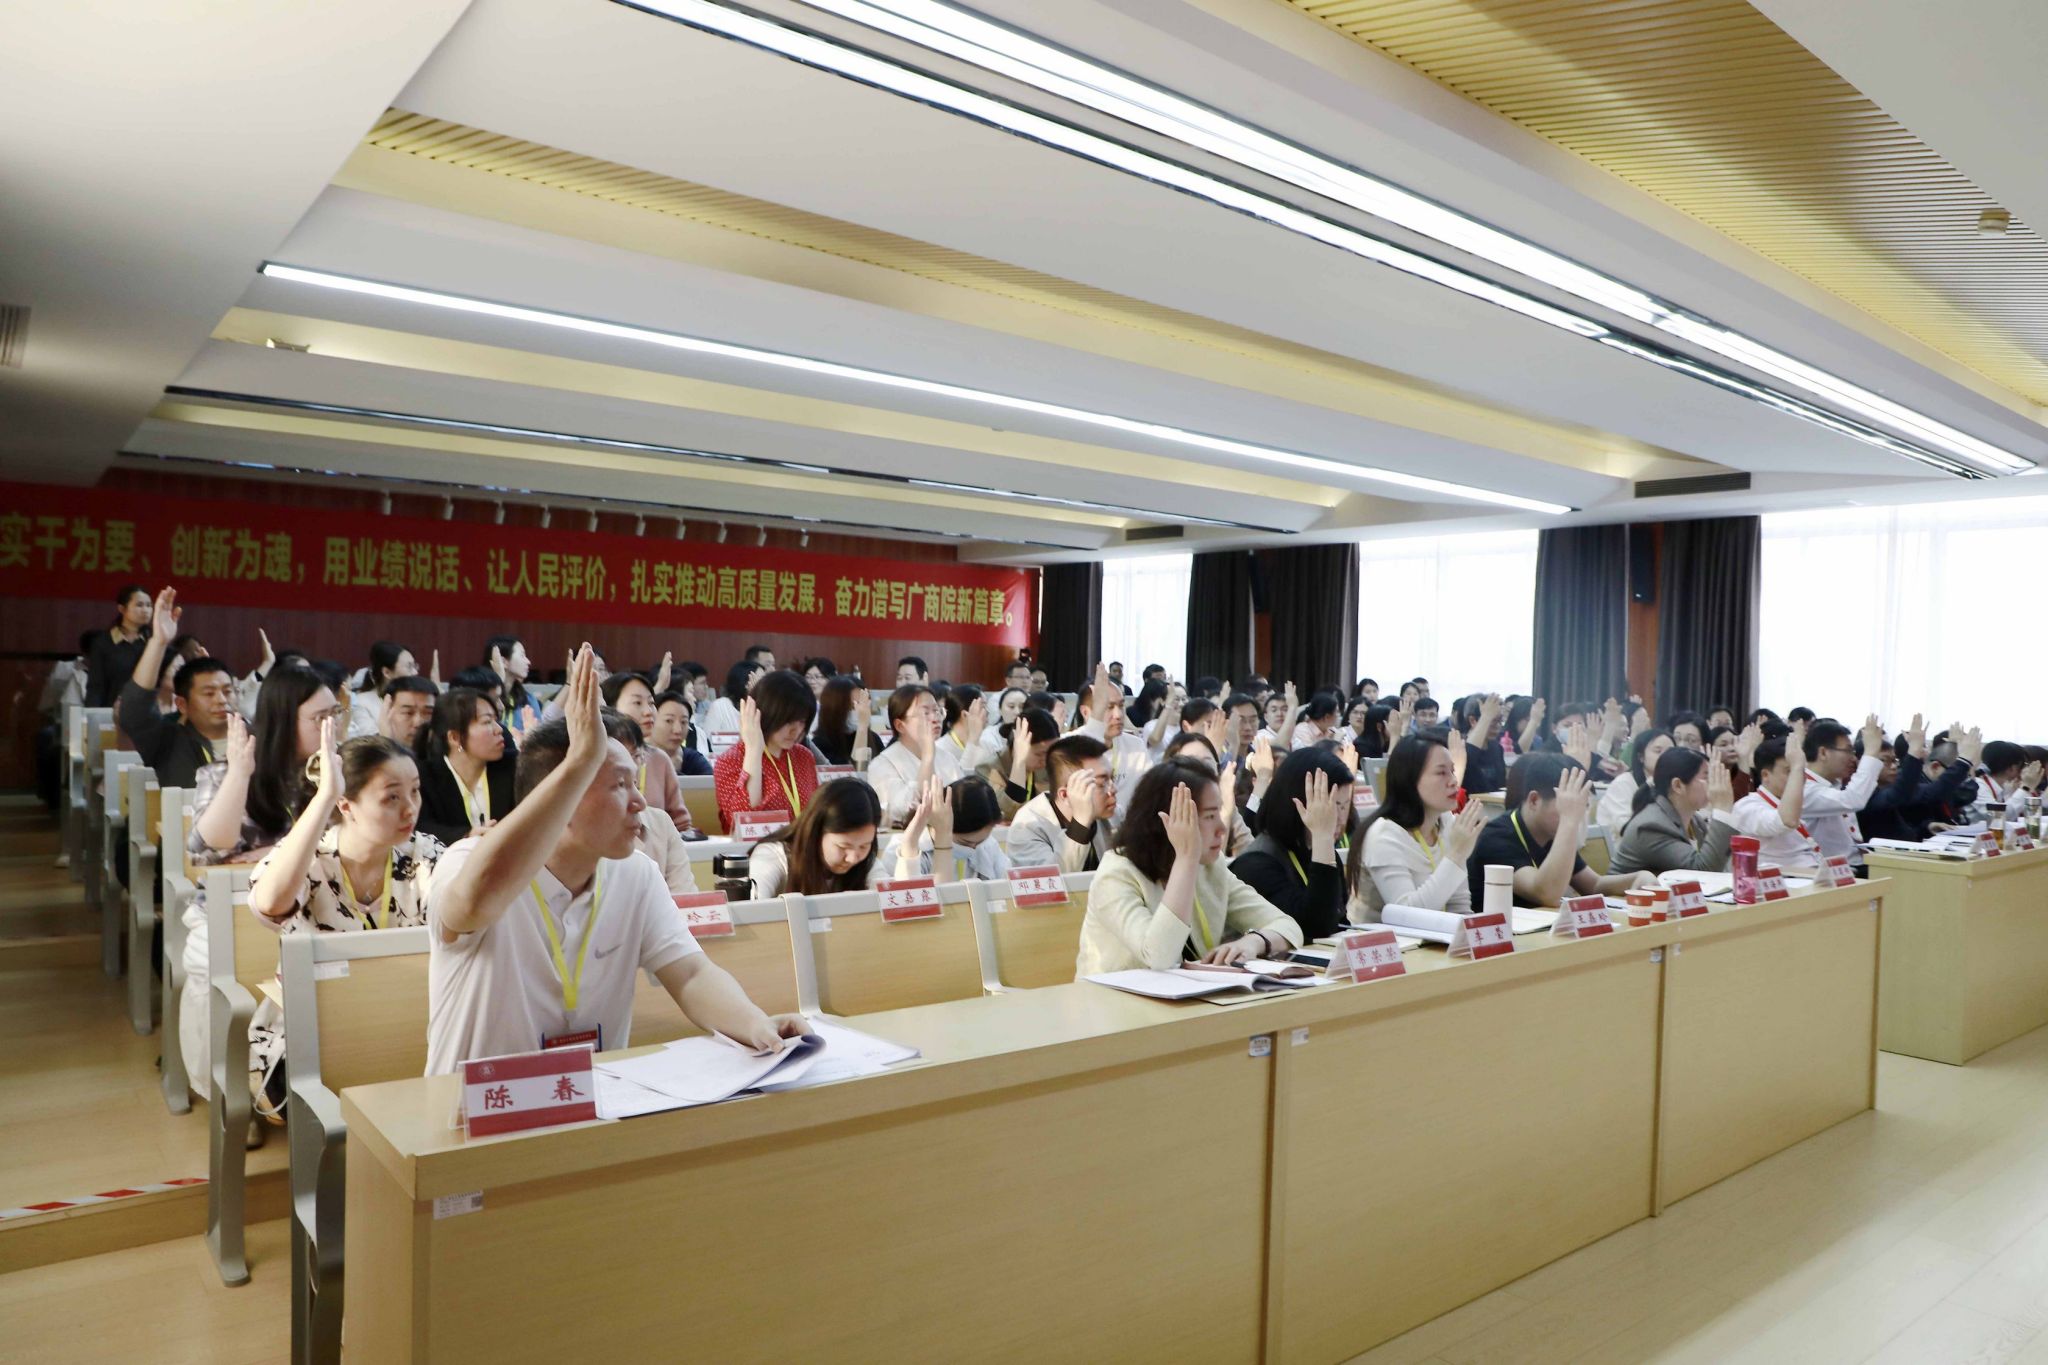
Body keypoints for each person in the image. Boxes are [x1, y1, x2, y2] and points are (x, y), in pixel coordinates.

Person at [424, 647, 806, 1073]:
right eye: (620, 785)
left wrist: (754, 1023)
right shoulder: (465, 861)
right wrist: (578, 764)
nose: (640, 801)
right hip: (477, 1104)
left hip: (592, 1098)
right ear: (563, 796)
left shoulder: (635, 874)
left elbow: (691, 974)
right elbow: (472, 905)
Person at [244, 725, 441, 1116]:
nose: (410, 808)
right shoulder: (308, 855)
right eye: (391, 797)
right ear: (346, 806)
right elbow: (270, 902)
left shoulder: (425, 854)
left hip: (406, 1021)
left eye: (415, 791)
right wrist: (324, 798)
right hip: (314, 1035)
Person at [178, 664, 339, 1106]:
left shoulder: (335, 773)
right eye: (320, 718)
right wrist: (240, 773)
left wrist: (276, 851)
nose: (332, 727)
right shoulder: (227, 771)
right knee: (212, 964)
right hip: (232, 916)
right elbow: (208, 850)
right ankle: (228, 1098)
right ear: (285, 719)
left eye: (336, 714)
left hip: (313, 912)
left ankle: (300, 1088)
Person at [1076, 760, 1304, 975]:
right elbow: (1159, 956)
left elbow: (1288, 926)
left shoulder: (1210, 867)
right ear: (1167, 821)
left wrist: (1253, 942)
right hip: (1112, 1000)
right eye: (1210, 816)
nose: (1222, 828)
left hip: (1190, 996)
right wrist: (1185, 858)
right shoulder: (1117, 874)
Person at [1466, 753, 1656, 907]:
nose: (1577, 817)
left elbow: (1594, 885)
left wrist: (1639, 877)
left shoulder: (1551, 832)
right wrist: (1568, 821)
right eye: (1567, 806)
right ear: (1534, 800)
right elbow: (1546, 893)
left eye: (1581, 808)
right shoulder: (1496, 837)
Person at [1345, 734, 1487, 922]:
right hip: (1383, 938)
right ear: (1410, 779)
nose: (1453, 781)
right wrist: (1457, 854)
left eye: (1452, 771)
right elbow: (1409, 917)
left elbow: (1459, 906)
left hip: (1435, 936)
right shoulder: (1384, 834)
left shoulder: (1447, 823)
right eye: (1441, 773)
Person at [748, 774, 951, 898]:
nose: (853, 858)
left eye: (864, 846)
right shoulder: (773, 857)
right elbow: (753, 912)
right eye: (843, 847)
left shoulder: (867, 864)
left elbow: (900, 904)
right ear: (816, 831)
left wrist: (910, 846)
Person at [114, 588, 233, 789]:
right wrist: (158, 642)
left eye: (228, 691)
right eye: (209, 693)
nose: (222, 700)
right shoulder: (169, 740)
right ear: (182, 704)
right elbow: (134, 711)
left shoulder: (256, 738)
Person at [1230, 746, 1351, 940]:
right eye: (1332, 807)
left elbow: (1339, 924)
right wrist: (1323, 837)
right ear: (1298, 802)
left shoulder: (1320, 850)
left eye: (1345, 807)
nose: (1340, 819)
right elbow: (1313, 929)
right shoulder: (1256, 863)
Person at [712, 668, 821, 835]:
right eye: (788, 721)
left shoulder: (803, 756)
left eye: (801, 721)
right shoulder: (731, 760)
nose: (796, 730)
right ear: (765, 714)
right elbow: (742, 820)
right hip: (756, 849)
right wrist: (753, 752)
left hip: (801, 846)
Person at [600, 712, 697, 894]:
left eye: (636, 755)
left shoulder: (661, 823)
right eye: (618, 757)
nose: (631, 767)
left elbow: (684, 897)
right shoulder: (577, 830)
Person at [415, 687, 517, 846]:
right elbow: (421, 828)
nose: (499, 729)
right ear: (455, 737)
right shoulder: (423, 777)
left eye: (496, 720)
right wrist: (466, 835)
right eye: (487, 722)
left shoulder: (514, 767)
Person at [1609, 748, 1736, 875]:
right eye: (1707, 778)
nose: (1714, 785)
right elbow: (1703, 871)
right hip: (1626, 889)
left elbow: (1720, 864)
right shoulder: (1651, 826)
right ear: (1678, 786)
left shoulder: (1695, 820)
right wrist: (1722, 810)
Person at [601, 672, 693, 835]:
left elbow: (681, 824)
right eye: (637, 703)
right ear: (610, 707)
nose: (648, 711)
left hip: (656, 848)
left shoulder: (659, 759)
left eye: (651, 703)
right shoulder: (595, 759)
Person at [1009, 735, 1115, 873]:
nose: (1113, 790)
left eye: (1113, 778)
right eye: (1101, 783)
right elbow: (1051, 881)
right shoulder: (1027, 827)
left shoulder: (1114, 815)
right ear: (1065, 795)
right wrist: (1080, 824)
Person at [867, 684, 962, 829]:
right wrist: (928, 758)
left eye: (937, 711)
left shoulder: (948, 758)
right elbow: (902, 812)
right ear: (900, 725)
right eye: (925, 713)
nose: (935, 718)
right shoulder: (882, 765)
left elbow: (963, 803)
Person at [1798, 716, 1886, 869]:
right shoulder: (1804, 789)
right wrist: (1871, 752)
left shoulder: (1833, 784)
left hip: (1856, 865)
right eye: (1848, 751)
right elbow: (1853, 800)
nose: (1853, 758)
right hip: (1833, 872)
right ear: (1823, 753)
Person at [1726, 727, 1820, 869]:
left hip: (1809, 872)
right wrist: (1796, 767)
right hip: (1784, 878)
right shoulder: (1746, 806)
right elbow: (1787, 820)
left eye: (1802, 770)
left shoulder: (1795, 799)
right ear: (1765, 775)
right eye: (1789, 771)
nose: (1800, 778)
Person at [980, 706, 1059, 818]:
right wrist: (1020, 762)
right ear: (1017, 747)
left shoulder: (1050, 766)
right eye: (1039, 754)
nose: (1046, 760)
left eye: (1050, 753)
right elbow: (1008, 813)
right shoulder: (987, 769)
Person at [84, 584, 153, 707]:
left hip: (147, 712)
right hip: (112, 711)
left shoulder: (154, 642)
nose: (145, 610)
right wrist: (92, 714)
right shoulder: (103, 643)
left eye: (149, 605)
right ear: (122, 609)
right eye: (139, 605)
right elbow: (95, 686)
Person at [1598, 727, 1672, 832]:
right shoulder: (1623, 783)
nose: (1666, 757)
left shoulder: (1674, 784)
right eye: (1658, 751)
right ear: (1641, 756)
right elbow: (1627, 828)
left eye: (1671, 752)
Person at [345, 641, 418, 737]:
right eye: (409, 667)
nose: (415, 672)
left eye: (415, 666)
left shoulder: (416, 699)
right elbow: (372, 741)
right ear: (387, 672)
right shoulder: (361, 702)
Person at [484, 636, 546, 735]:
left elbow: (538, 737)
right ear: (504, 662)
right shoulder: (482, 697)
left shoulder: (528, 700)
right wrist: (499, 681)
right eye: (522, 655)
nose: (528, 662)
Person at [810, 677, 875, 771]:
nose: (860, 711)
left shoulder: (873, 738)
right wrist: (862, 727)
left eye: (863, 706)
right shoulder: (820, 745)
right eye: (852, 706)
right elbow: (857, 772)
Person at [699, 660, 761, 753]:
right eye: (761, 680)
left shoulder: (762, 707)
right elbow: (707, 743)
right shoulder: (720, 706)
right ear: (746, 682)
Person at [649, 689, 715, 777]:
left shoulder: (694, 760)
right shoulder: (637, 758)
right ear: (651, 721)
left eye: (683, 722)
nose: (678, 730)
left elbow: (709, 783)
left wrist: (675, 772)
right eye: (669, 721)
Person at [1454, 694, 1507, 793]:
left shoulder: (1497, 748)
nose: (1498, 726)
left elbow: (1501, 785)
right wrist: (1487, 716)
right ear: (1472, 720)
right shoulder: (1459, 747)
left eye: (1500, 721)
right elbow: (1467, 760)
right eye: (1493, 721)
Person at [375, 676, 437, 749]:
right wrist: (387, 743)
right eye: (408, 713)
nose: (418, 723)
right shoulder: (367, 750)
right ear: (387, 712)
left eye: (428, 713)